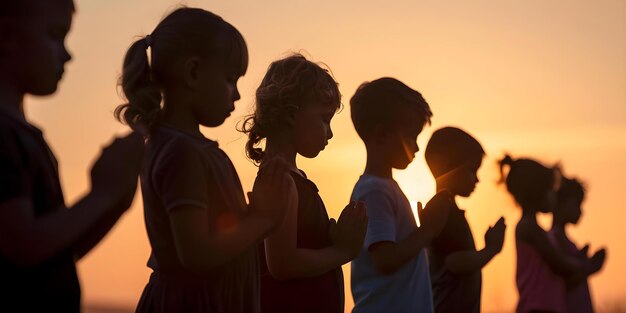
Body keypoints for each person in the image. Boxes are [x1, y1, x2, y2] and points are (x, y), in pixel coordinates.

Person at [113, 8, 289, 313]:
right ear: (193, 72)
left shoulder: (183, 147)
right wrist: (263, 219)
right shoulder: (182, 153)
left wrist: (252, 214)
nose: (236, 95)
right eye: (229, 79)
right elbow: (195, 253)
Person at [0, 1, 144, 311]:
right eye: (55, 35)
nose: (67, 54)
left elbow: (56, 252)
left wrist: (116, 201)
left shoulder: (24, 135)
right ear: (7, 36)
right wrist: (101, 195)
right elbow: (22, 245)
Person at [241, 53, 367, 313]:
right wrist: (343, 252)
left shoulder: (293, 179)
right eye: (324, 119)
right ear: (290, 115)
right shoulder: (280, 181)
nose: (330, 133)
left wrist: (328, 241)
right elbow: (282, 263)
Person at [349, 77, 453, 313]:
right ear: (382, 134)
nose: (416, 147)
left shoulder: (384, 188)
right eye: (411, 136)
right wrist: (428, 230)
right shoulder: (375, 191)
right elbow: (385, 259)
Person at [499, 155, 603, 313]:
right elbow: (558, 262)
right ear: (536, 192)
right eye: (550, 190)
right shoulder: (529, 228)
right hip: (538, 308)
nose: (553, 196)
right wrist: (588, 266)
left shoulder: (532, 228)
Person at [424, 126, 506, 313]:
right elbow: (455, 262)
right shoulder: (444, 211)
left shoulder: (448, 210)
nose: (476, 179)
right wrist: (491, 249)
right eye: (472, 170)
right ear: (445, 164)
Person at [551, 176, 606, 313]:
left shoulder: (564, 241)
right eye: (577, 204)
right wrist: (590, 267)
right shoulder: (554, 240)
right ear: (560, 204)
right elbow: (561, 285)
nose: (580, 211)